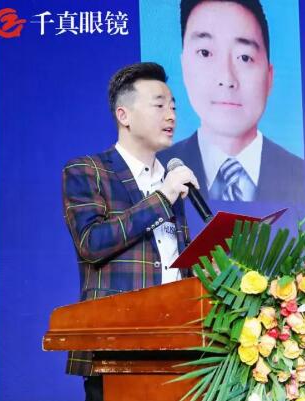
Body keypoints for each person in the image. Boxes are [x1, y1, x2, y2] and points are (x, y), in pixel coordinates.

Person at [61, 62, 199, 401]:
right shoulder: (88, 170)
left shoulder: (168, 178)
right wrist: (163, 197)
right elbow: (91, 243)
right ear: (124, 115)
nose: (171, 115)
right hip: (116, 348)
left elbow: (171, 264)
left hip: (179, 348)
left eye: (174, 107)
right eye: (159, 105)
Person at [159, 0, 304, 203]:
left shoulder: (301, 175)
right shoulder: (156, 170)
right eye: (205, 53)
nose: (226, 79)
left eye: (244, 57)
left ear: (269, 77)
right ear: (184, 66)